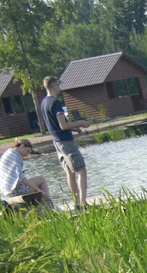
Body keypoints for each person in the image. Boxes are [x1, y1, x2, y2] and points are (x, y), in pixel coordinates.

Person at [38, 76, 88, 211]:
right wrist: (81, 123)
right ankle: (83, 204)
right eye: (58, 84)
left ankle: (77, 202)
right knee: (81, 170)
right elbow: (62, 125)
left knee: (69, 172)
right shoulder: (55, 103)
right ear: (53, 86)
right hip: (66, 142)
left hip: (57, 142)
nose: (60, 87)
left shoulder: (44, 103)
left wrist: (74, 128)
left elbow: (54, 125)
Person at [0, 140, 52, 208]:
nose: (27, 154)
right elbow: (21, 177)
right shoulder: (13, 156)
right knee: (41, 179)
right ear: (23, 146)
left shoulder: (8, 153)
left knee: (36, 183)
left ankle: (42, 205)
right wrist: (38, 190)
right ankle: (49, 204)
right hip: (15, 191)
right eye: (28, 151)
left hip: (8, 191)